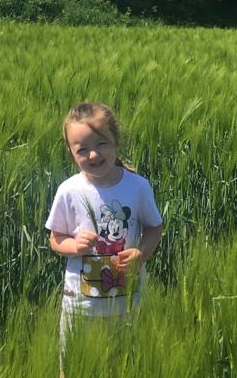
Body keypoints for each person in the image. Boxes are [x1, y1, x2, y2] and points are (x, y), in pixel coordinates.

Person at [45, 102, 164, 367]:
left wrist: (142, 253)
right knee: (73, 365)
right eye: (82, 149)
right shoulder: (69, 190)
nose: (93, 154)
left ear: (116, 142)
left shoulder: (137, 186)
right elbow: (55, 239)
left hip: (128, 301)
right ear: (71, 153)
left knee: (125, 364)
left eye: (101, 144)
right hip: (80, 304)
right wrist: (74, 246)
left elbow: (155, 227)